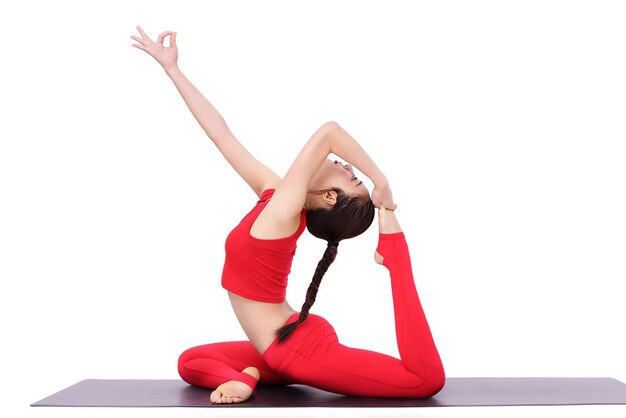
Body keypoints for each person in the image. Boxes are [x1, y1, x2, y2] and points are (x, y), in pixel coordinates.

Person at [130, 26, 445, 404]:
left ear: (329, 196)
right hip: (286, 336)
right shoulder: (274, 197)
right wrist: (173, 69)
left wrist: (381, 185)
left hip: (296, 351)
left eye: (352, 178)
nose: (347, 165)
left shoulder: (282, 214)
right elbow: (221, 134)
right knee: (191, 361)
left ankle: (397, 255)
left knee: (423, 381)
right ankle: (247, 375)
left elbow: (329, 131)